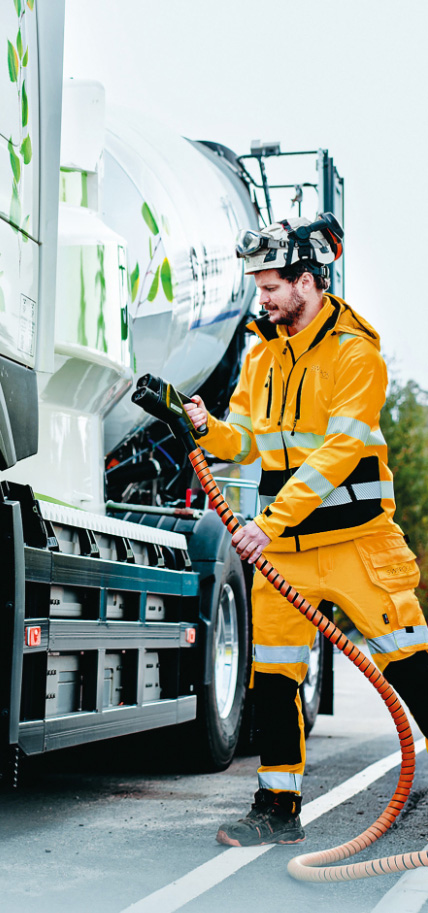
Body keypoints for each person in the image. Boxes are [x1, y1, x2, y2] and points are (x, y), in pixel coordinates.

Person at [183, 214, 428, 847]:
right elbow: (245, 437)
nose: (259, 299)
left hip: (357, 542)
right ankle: (277, 808)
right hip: (285, 552)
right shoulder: (262, 350)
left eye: (270, 288)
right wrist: (208, 428)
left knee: (409, 662)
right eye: (258, 288)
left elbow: (341, 450)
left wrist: (268, 522)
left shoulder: (356, 352)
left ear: (308, 281)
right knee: (274, 675)